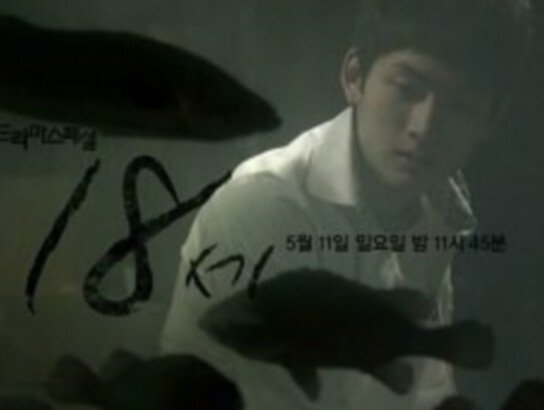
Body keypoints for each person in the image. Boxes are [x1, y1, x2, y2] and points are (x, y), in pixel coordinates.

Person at [160, 0, 534, 409]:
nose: (423, 127)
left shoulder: (439, 203)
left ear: (491, 119)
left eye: (459, 106)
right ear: (355, 76)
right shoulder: (263, 204)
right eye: (408, 89)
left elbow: (422, 390)